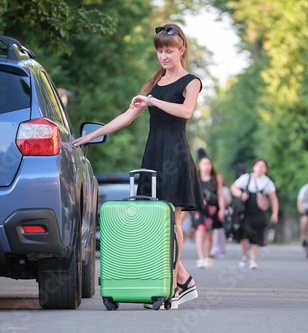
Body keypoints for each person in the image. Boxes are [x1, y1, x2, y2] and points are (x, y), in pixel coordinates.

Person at [73, 23, 202, 308]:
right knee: (154, 221)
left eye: (169, 51)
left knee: (173, 220)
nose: (164, 56)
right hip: (153, 155)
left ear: (181, 50)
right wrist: (90, 136)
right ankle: (182, 280)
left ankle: (173, 285)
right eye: (159, 51)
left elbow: (186, 111)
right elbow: (127, 116)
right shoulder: (153, 82)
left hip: (175, 156)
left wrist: (153, 100)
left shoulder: (191, 81)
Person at [230, 158, 279, 269]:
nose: (260, 168)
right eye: (258, 165)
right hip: (246, 212)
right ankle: (244, 255)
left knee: (257, 236)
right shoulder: (246, 178)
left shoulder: (267, 182)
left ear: (266, 169)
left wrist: (275, 213)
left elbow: (273, 198)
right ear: (254, 167)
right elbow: (233, 187)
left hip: (259, 213)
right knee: (245, 234)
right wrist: (240, 195)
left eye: (263, 166)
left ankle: (252, 259)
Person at [193, 156, 225, 268]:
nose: (206, 166)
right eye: (204, 163)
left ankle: (207, 257)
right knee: (200, 231)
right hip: (198, 208)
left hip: (212, 209)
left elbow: (220, 195)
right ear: (199, 166)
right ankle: (201, 258)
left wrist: (222, 209)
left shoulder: (216, 178)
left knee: (209, 235)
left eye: (208, 163)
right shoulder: (195, 178)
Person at [210, 185, 231, 259]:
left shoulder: (225, 189)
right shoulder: (212, 188)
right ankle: (214, 249)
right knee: (214, 232)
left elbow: (229, 200)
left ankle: (221, 251)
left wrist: (223, 200)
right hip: (213, 211)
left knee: (222, 232)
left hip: (222, 212)